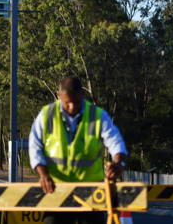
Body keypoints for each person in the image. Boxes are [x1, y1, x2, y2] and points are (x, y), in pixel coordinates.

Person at [29, 76, 128, 224]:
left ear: (82, 95)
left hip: (91, 194)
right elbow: (35, 147)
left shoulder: (97, 115)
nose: (72, 107)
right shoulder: (47, 115)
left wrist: (118, 163)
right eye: (67, 102)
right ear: (58, 95)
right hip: (56, 192)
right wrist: (43, 174)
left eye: (76, 102)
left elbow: (115, 141)